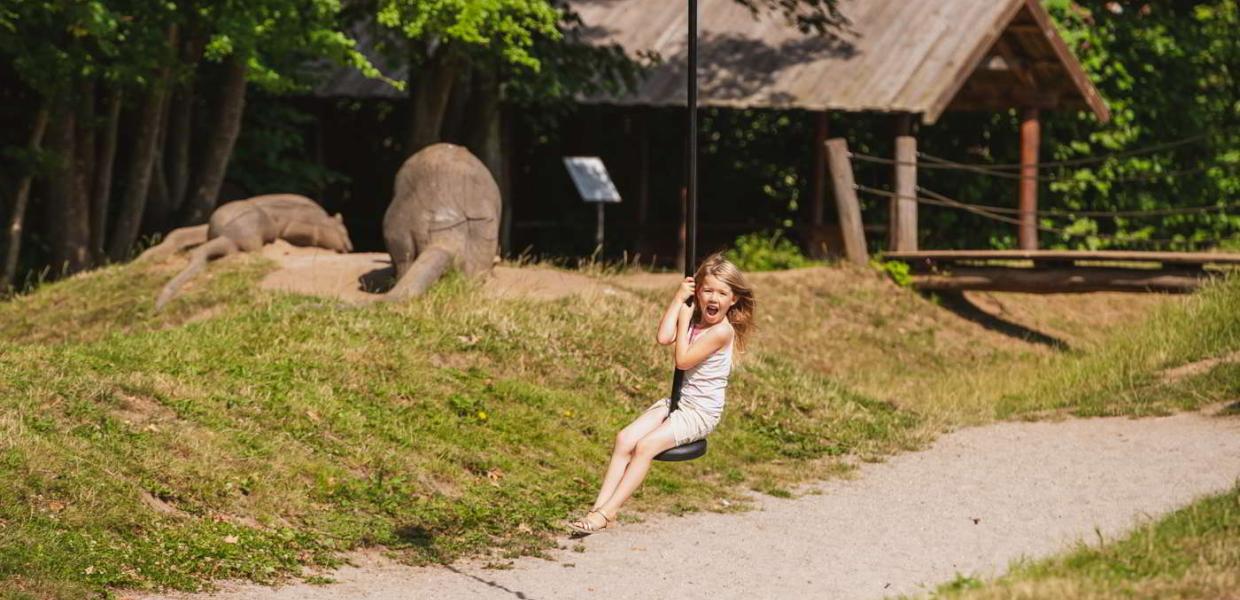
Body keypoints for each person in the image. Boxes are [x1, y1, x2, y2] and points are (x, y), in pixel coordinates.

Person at [568, 253, 755, 534]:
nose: (713, 299)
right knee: (625, 439)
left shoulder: (722, 332)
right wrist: (678, 300)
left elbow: (682, 360)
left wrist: (684, 321)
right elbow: (663, 337)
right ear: (698, 291)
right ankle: (598, 508)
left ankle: (609, 512)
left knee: (645, 447)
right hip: (678, 402)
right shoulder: (695, 317)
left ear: (734, 299)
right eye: (707, 291)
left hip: (700, 412)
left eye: (722, 293)